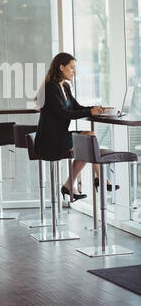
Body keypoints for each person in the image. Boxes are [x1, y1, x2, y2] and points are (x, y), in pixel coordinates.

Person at [34, 52, 119, 201]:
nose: (74, 71)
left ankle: (79, 183)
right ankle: (99, 179)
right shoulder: (50, 88)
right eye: (72, 67)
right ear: (61, 67)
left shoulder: (64, 86)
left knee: (88, 141)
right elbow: (63, 113)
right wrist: (90, 111)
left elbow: (76, 107)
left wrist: (99, 109)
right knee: (88, 141)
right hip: (50, 140)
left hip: (60, 136)